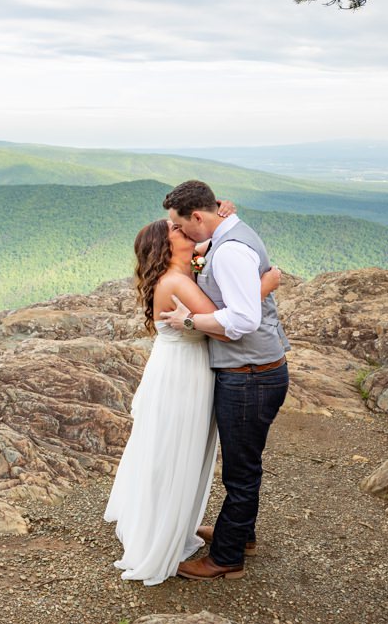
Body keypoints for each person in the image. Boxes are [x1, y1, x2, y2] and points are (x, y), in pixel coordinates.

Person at [106, 216, 279, 585]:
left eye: (183, 226)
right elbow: (227, 322)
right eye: (176, 232)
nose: (185, 233)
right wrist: (264, 285)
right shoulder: (176, 283)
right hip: (183, 377)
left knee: (178, 451)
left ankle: (198, 527)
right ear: (165, 247)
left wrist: (223, 217)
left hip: (185, 370)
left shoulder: (184, 274)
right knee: (175, 452)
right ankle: (166, 531)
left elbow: (208, 237)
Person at [158, 180, 292, 581]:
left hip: (249, 374)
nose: (178, 233)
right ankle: (240, 533)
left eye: (179, 225)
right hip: (256, 369)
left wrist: (188, 320)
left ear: (197, 216)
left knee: (240, 470)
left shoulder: (230, 250)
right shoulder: (228, 231)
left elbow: (243, 320)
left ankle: (226, 558)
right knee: (243, 463)